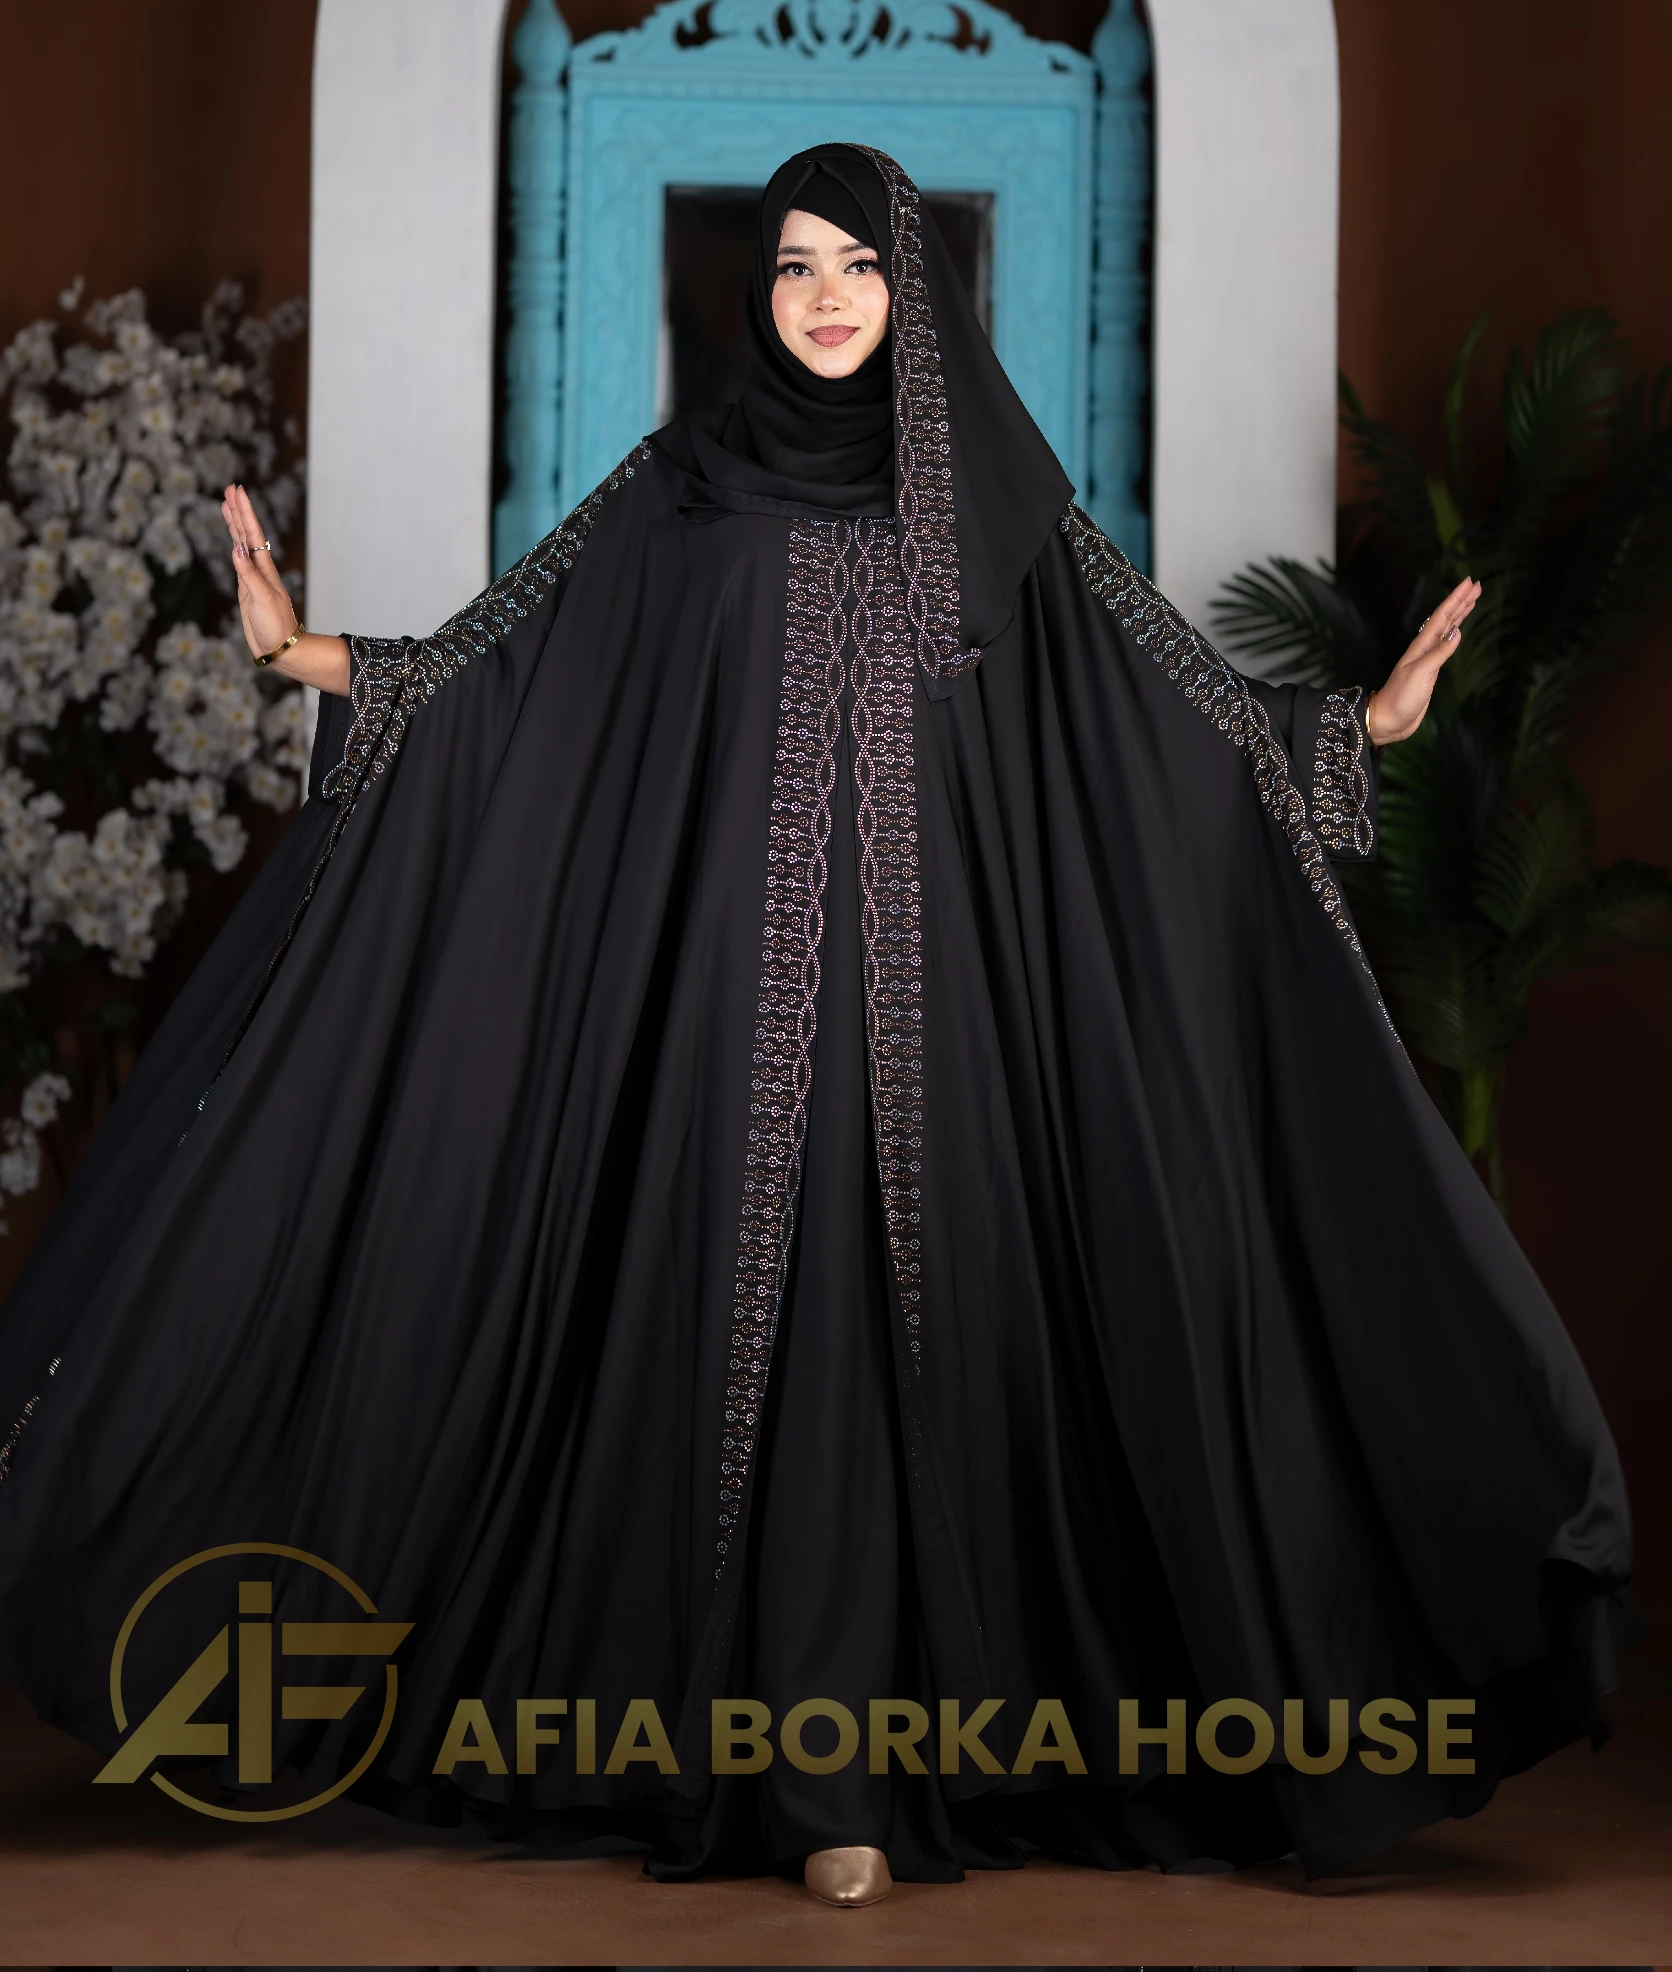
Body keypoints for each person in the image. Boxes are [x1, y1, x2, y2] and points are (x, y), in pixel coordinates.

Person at [0, 145, 1630, 1908]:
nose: (827, 296)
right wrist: (300, 652)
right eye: (793, 266)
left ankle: (861, 1777)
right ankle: (784, 1774)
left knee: (917, 1356)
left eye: (859, 262)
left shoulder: (1007, 517)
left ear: (915, 286)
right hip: (716, 1030)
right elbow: (503, 676)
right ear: (757, 293)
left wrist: (1354, 729)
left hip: (956, 1041)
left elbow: (1167, 716)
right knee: (734, 1357)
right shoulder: (679, 494)